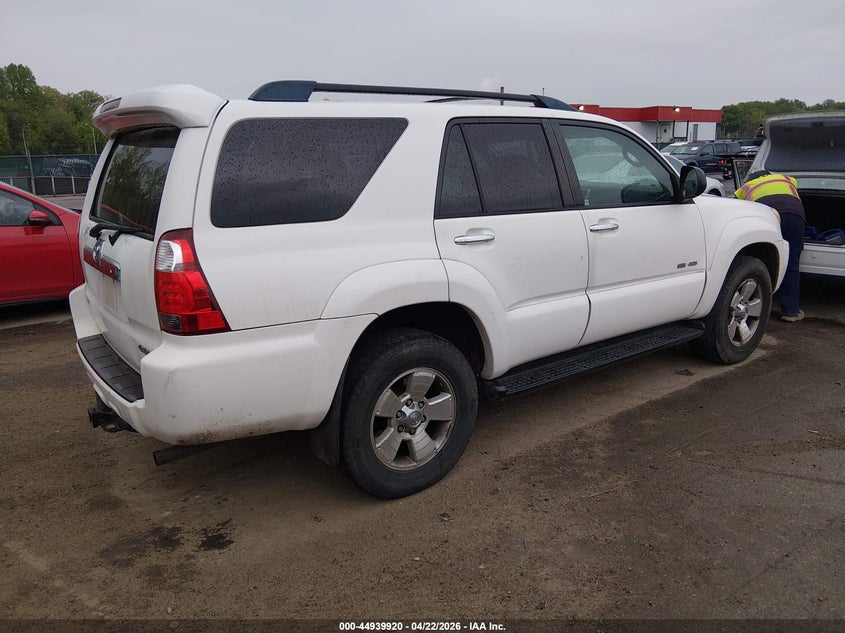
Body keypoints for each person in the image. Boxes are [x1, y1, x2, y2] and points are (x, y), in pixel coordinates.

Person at [734, 170, 805, 322]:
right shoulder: (787, 178)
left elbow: (736, 207)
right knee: (792, 264)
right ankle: (790, 312)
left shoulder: (745, 187)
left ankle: (760, 302)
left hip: (768, 217)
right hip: (794, 215)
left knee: (764, 260)